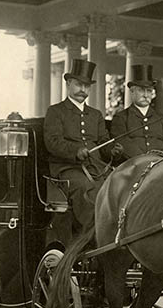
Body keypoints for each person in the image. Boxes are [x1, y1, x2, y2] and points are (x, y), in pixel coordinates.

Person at [44, 58, 123, 233]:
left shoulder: (95, 115)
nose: (83, 90)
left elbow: (103, 142)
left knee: (118, 185)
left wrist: (113, 151)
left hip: (96, 167)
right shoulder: (55, 112)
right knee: (87, 189)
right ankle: (95, 234)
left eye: (86, 86)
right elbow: (53, 142)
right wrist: (75, 151)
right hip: (67, 168)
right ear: (68, 83)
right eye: (79, 84)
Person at [110, 64, 163, 161]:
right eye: (141, 90)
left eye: (149, 91)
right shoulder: (121, 118)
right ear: (132, 91)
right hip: (133, 166)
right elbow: (123, 142)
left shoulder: (161, 118)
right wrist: (145, 160)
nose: (146, 95)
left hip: (160, 164)